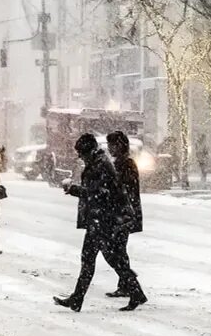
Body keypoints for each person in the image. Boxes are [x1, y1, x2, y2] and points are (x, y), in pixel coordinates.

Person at [54, 133, 147, 312]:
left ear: (88, 150)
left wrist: (74, 189)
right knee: (102, 258)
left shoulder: (101, 165)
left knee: (104, 258)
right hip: (101, 218)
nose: (79, 156)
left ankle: (133, 293)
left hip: (103, 219)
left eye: (81, 152)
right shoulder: (98, 162)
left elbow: (100, 193)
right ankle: (133, 293)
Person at [105, 131, 143, 298]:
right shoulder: (120, 163)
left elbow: (125, 190)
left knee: (116, 249)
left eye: (111, 145)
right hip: (121, 213)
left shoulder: (126, 164)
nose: (109, 149)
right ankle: (126, 281)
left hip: (123, 214)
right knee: (118, 249)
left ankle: (128, 281)